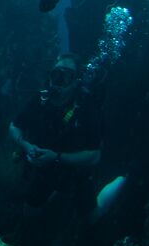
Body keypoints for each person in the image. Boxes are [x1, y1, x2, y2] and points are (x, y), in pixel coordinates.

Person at [8, 53, 102, 210]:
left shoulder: (86, 107)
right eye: (56, 74)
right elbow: (14, 126)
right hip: (44, 169)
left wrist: (56, 157)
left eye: (66, 77)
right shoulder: (40, 99)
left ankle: (123, 180)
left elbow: (94, 156)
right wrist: (26, 146)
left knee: (91, 218)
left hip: (73, 173)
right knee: (29, 211)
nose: (58, 81)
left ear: (75, 81)